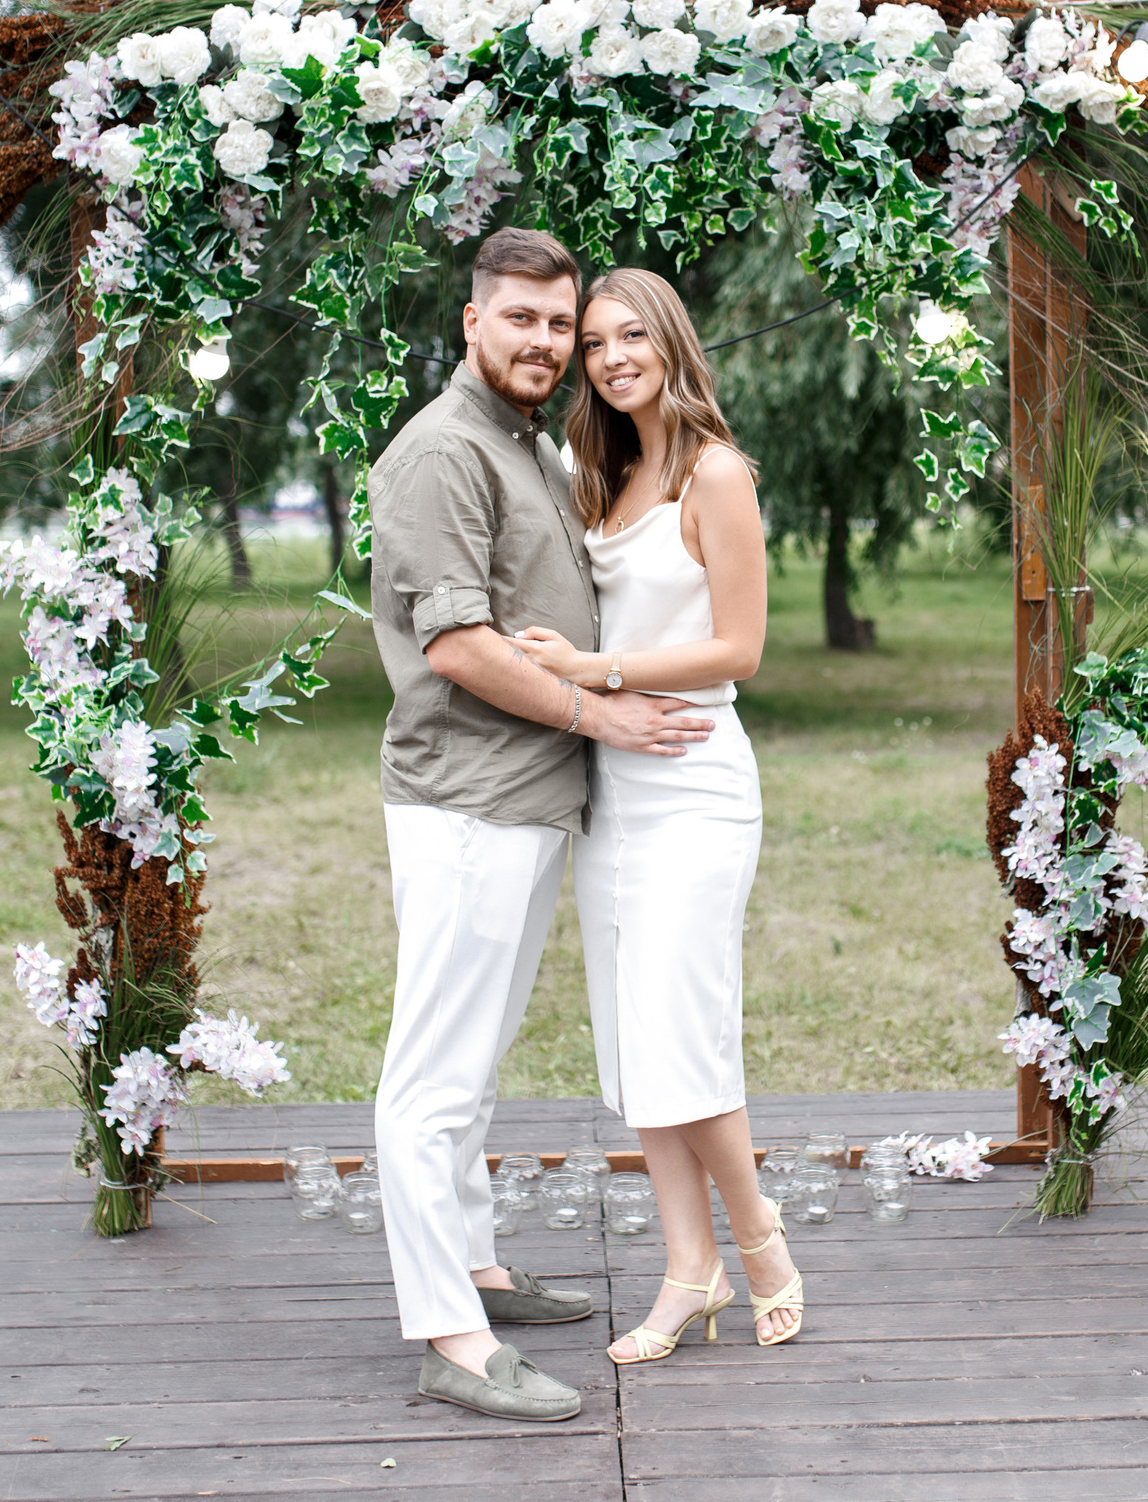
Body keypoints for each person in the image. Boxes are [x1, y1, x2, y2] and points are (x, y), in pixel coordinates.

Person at [367, 229, 717, 1422]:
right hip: (467, 800)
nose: (544, 342)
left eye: (558, 323)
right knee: (431, 1080)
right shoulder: (439, 455)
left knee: (472, 1069)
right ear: (472, 321)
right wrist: (597, 715)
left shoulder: (520, 444)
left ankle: (476, 1268)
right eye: (519, 318)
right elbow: (456, 646)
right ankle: (452, 1341)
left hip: (523, 805)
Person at [511, 267, 805, 1363]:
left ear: (672, 343)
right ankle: (690, 1271)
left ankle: (762, 1244)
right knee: (635, 1047)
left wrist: (598, 671)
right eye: (593, 344)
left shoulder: (715, 473)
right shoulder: (607, 473)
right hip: (614, 797)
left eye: (632, 334)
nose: (610, 356)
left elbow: (740, 647)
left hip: (694, 786)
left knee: (683, 1032)